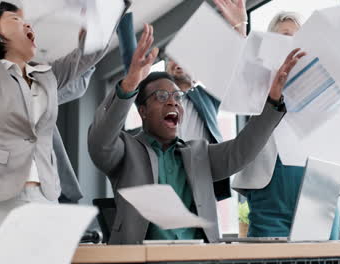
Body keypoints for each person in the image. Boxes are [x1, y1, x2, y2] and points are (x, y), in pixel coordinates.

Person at [88, 24, 305, 244]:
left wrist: (273, 102)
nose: (172, 101)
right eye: (162, 96)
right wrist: (129, 84)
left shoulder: (199, 153)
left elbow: (242, 151)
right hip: (142, 258)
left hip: (196, 256)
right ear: (142, 111)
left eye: (176, 96)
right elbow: (100, 143)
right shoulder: (126, 151)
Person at [0, 0, 127, 247]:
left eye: (27, 20)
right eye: (16, 19)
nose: (27, 24)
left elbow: (88, 55)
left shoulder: (46, 77)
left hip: (44, 197)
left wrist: (116, 5)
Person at [214, 0, 340, 239]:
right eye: (284, 37)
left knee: (324, 254)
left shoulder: (324, 74)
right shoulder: (262, 77)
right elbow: (243, 70)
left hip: (319, 179)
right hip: (270, 180)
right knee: (271, 254)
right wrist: (240, 29)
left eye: (298, 36)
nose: (292, 44)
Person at [0, 68, 95, 247]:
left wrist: (89, 49)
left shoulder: (27, 86)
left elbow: (77, 84)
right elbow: (76, 84)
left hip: (23, 202)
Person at [117, 13, 231, 200]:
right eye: (172, 59)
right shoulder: (154, 98)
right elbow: (132, 69)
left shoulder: (207, 99)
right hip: (161, 177)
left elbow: (229, 66)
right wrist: (122, 15)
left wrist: (237, 25)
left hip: (201, 183)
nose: (177, 62)